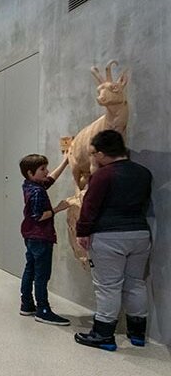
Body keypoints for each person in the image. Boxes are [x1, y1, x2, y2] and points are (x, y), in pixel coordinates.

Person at [74, 130, 152, 351]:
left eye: (93, 153)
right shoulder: (143, 173)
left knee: (108, 286)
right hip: (139, 234)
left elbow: (90, 206)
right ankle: (137, 334)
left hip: (109, 236)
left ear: (100, 153)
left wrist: (82, 231)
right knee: (135, 283)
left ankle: (103, 334)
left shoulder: (103, 175)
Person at [18, 153, 70, 325]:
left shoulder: (29, 185)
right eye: (43, 169)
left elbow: (50, 179)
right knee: (42, 274)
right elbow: (38, 216)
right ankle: (43, 309)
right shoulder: (37, 191)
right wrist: (58, 208)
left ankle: (26, 304)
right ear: (30, 173)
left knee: (30, 269)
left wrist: (65, 161)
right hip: (40, 236)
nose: (47, 171)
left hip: (31, 235)